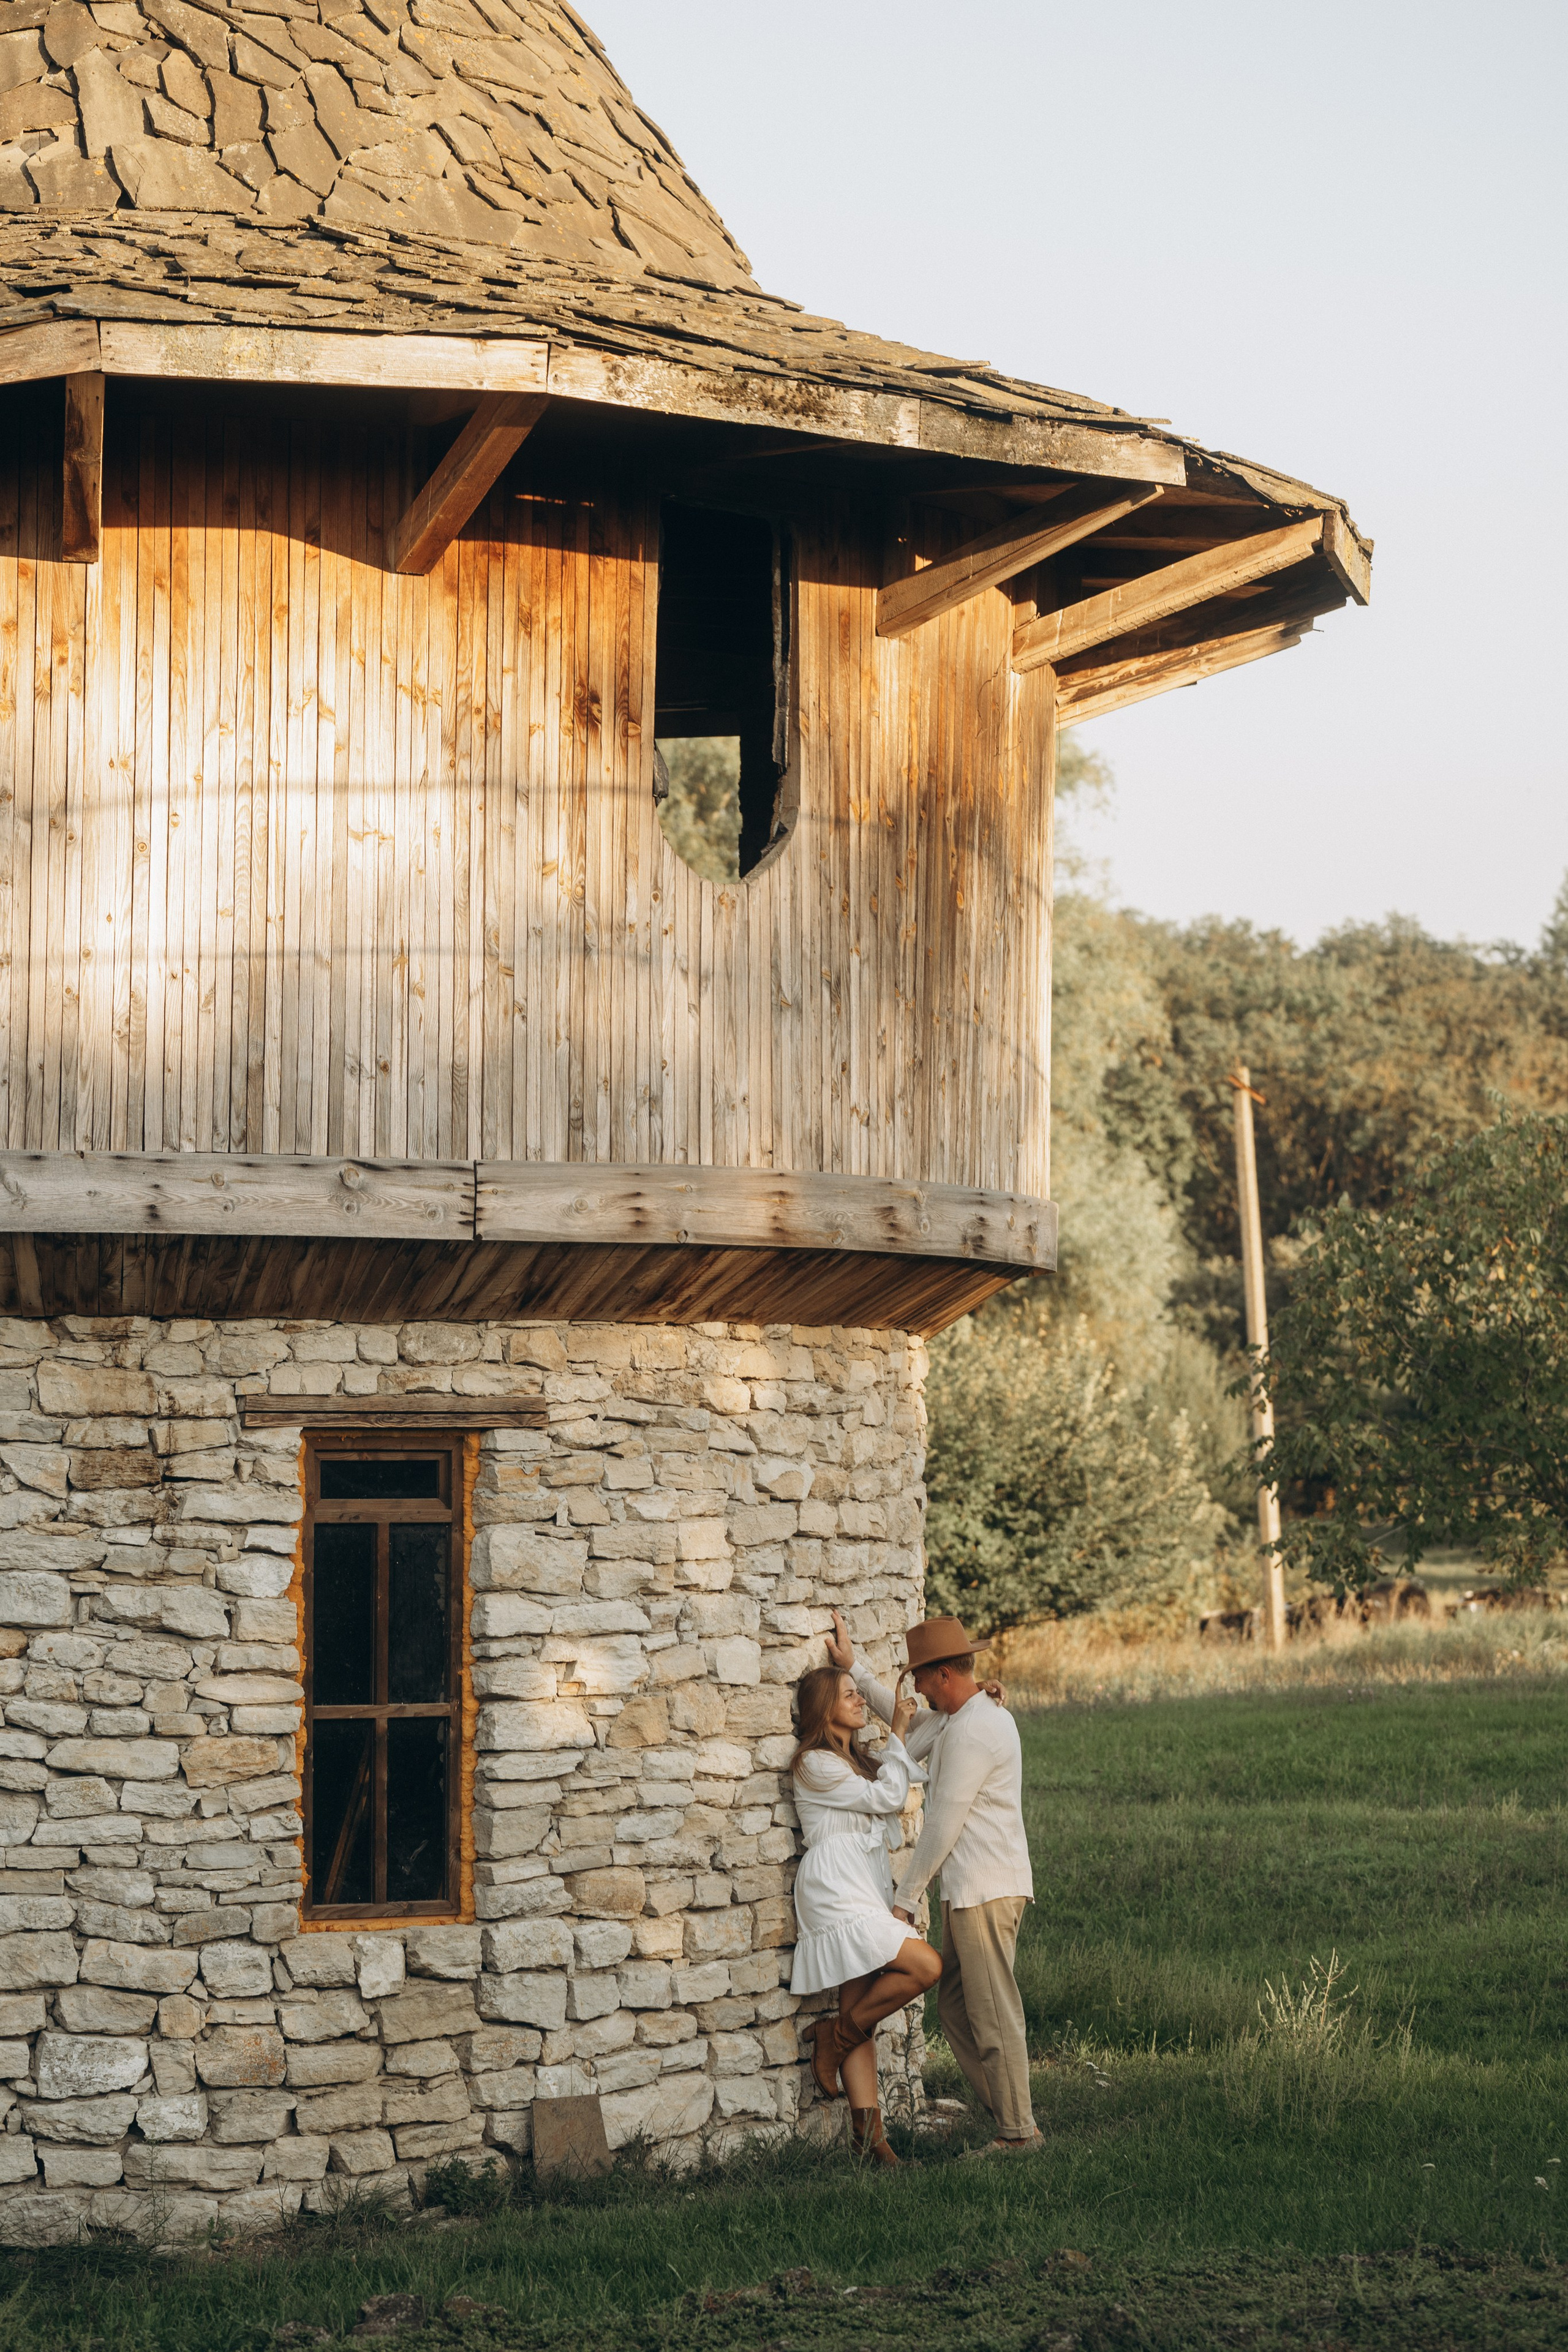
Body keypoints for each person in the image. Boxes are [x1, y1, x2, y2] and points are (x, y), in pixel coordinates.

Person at [828, 1610, 1041, 2155]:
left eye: (922, 1676)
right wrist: (854, 1667)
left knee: (992, 2010)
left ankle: (1017, 2134)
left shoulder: (976, 1728)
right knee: (956, 2008)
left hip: (988, 1890)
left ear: (944, 1675)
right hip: (970, 1890)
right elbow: (905, 1727)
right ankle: (1012, 2115)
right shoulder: (957, 1718)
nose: (916, 1687)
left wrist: (905, 1897)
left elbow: (943, 1822)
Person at [788, 1639, 943, 2166]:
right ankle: (834, 2038)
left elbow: (920, 1750)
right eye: (849, 1695)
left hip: (863, 1887)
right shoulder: (813, 1765)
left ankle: (869, 2141)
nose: (859, 1702)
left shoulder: (861, 1760)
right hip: (835, 1890)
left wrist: (980, 1703)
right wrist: (895, 1730)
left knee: (859, 2010)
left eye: (860, 1694)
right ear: (822, 1709)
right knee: (926, 1965)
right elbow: (889, 1797)